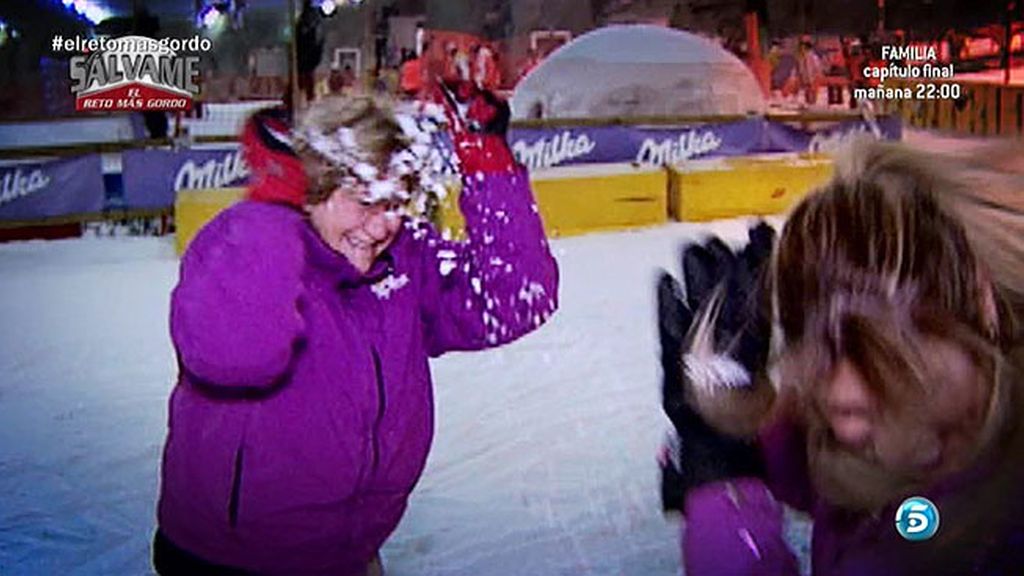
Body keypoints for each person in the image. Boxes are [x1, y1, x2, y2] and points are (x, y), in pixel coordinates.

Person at [153, 88, 559, 575]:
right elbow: (239, 357)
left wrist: (487, 163)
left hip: (348, 552)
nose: (384, 224)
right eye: (367, 201)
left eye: (397, 202)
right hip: (230, 561)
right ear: (312, 188)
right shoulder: (241, 245)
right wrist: (272, 207)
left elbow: (517, 297)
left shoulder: (405, 261)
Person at [658, 138, 1024, 575]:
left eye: (892, 354)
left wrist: (726, 509)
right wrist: (733, 435)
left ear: (988, 316)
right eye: (813, 341)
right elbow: (832, 486)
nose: (839, 408)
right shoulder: (907, 470)